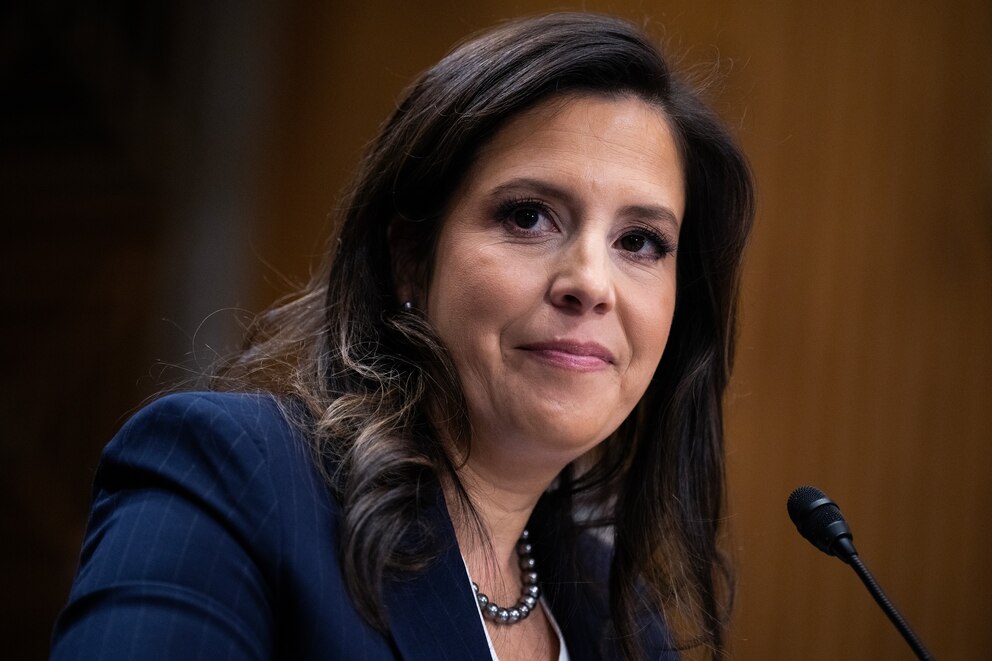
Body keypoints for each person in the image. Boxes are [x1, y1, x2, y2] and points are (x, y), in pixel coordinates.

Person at [51, 12, 753, 661]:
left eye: (640, 240)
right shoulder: (236, 477)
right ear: (410, 256)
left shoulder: (623, 622)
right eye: (529, 216)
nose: (590, 282)